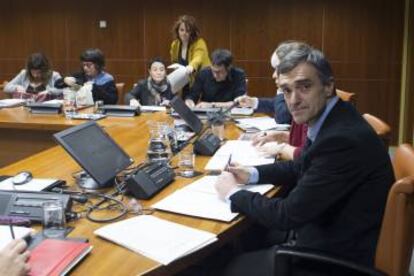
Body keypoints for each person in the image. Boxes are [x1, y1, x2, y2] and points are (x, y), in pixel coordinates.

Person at [215, 45, 395, 275]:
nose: (294, 100)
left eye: (304, 87)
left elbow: (287, 214)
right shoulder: (331, 118)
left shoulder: (341, 139)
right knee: (245, 236)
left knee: (225, 265)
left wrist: (232, 192)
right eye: (287, 90)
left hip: (334, 257)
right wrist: (251, 173)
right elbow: (300, 165)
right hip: (327, 227)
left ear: (329, 86)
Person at [170, 15, 211, 98]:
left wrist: (191, 66)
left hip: (200, 80)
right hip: (184, 81)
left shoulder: (199, 42)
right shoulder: (175, 44)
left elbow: (198, 57)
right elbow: (174, 61)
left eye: (187, 31)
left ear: (192, 32)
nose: (184, 33)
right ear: (177, 30)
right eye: (182, 30)